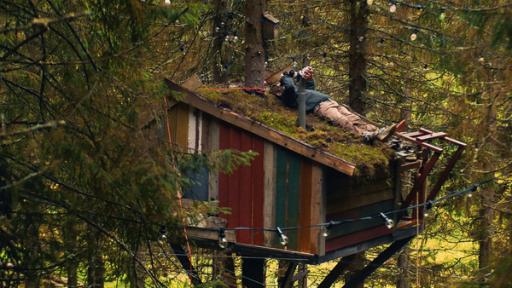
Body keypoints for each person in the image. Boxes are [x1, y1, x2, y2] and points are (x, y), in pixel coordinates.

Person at [277, 66, 398, 142]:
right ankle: (364, 135)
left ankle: (378, 132)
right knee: (342, 121)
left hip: (330, 102)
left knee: (355, 118)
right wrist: (285, 76)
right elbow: (289, 87)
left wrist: (307, 77)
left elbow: (310, 87)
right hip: (321, 107)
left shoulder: (298, 90)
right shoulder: (287, 97)